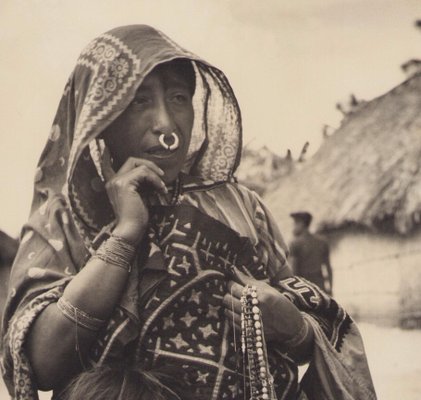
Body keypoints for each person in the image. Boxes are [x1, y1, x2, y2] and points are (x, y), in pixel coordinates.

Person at [1, 25, 376, 400]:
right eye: (139, 101)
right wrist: (127, 233)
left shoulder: (242, 208)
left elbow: (301, 335)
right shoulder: (66, 217)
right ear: (103, 117)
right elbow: (41, 364)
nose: (166, 124)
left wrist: (294, 328)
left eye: (179, 98)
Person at [289, 212, 333, 295]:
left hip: (304, 289)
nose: (293, 228)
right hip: (320, 288)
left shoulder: (295, 243)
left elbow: (294, 271)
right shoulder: (322, 242)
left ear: (301, 224)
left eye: (295, 224)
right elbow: (328, 268)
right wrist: (330, 289)